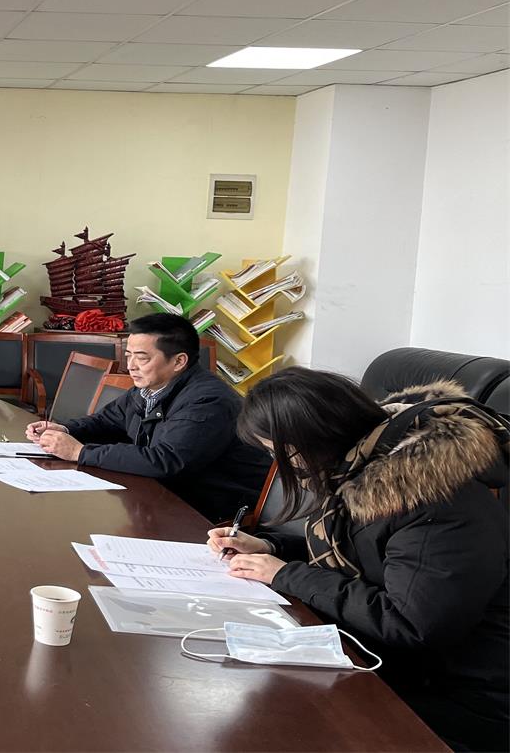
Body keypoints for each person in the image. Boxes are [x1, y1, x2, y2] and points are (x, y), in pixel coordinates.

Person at [208, 369, 509, 753]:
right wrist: (270, 547)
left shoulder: (434, 500)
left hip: (458, 698)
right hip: (397, 662)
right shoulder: (367, 465)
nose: (280, 465)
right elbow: (366, 554)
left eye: (276, 452)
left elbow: (411, 625)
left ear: (311, 439)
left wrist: (287, 575)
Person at [25, 312, 268, 522]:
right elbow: (107, 421)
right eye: (128, 355)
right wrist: (65, 430)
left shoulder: (208, 401)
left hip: (212, 511)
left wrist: (79, 452)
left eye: (142, 358)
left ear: (179, 361)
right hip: (161, 495)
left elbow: (166, 461)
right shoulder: (149, 388)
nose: (131, 365)